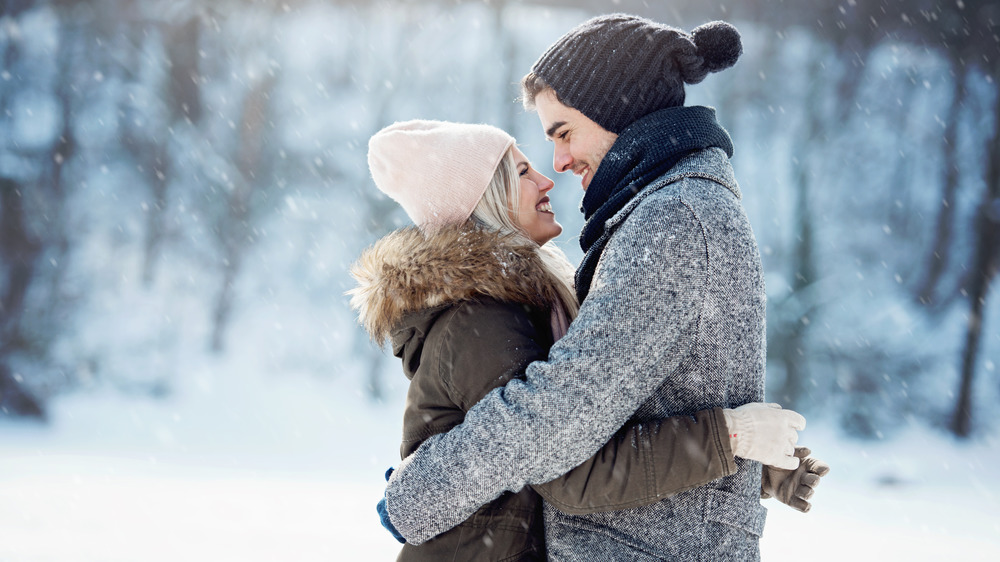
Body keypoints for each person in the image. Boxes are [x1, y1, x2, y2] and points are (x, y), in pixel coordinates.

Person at [374, 14, 826, 561]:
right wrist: (736, 443)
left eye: (563, 133)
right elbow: (585, 424)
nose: (555, 166)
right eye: (526, 168)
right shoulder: (496, 311)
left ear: (616, 110)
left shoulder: (672, 221)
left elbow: (560, 426)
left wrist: (416, 496)